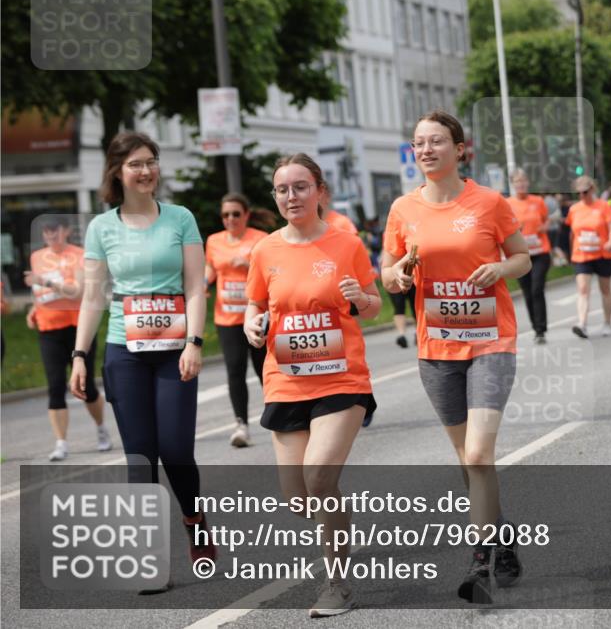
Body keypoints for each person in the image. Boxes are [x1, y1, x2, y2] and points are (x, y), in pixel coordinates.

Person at [382, 111, 529, 604]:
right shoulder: (403, 209)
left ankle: (481, 560)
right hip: (437, 349)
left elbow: (523, 258)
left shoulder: (489, 202)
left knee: (479, 454)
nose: (426, 150)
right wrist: (398, 275)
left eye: (437, 141)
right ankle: (503, 539)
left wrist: (499, 267)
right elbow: (388, 271)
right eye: (419, 143)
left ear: (460, 149)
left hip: (490, 341)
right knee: (468, 464)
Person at [70, 132, 215, 586]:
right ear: (117, 171)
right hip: (124, 353)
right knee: (139, 457)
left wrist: (194, 340)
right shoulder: (101, 228)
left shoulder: (179, 218)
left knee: (174, 450)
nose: (146, 171)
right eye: (136, 164)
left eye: (151, 161)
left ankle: (194, 522)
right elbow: (93, 298)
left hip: (175, 352)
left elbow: (195, 285)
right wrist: (79, 354)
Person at [244, 153, 381, 617]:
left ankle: (337, 584)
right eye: (282, 189)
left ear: (320, 191)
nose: (291, 196)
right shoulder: (265, 250)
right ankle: (338, 527)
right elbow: (254, 305)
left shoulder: (347, 244)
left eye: (300, 187)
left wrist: (360, 298)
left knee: (319, 474)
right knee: (299, 498)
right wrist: (252, 326)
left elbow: (373, 305)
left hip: (342, 377)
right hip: (286, 379)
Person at [24, 217, 111, 461]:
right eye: (46, 232)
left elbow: (81, 292)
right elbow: (40, 294)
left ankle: (101, 428)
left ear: (66, 231)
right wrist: (33, 308)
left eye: (54, 231)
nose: (50, 236)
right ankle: (61, 442)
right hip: (49, 328)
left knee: (86, 386)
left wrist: (47, 282)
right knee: (55, 385)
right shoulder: (37, 257)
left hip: (77, 328)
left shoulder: (79, 255)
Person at [204, 194, 271, 448]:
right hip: (227, 317)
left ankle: (280, 412)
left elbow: (271, 272)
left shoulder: (260, 239)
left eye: (235, 214)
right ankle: (241, 424)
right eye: (225, 215)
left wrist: (248, 264)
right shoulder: (214, 241)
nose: (230, 219)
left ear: (246, 215)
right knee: (235, 370)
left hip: (256, 316)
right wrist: (201, 284)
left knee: (264, 367)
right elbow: (211, 268)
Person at [565, 176, 611, 338]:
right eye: (579, 193)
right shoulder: (574, 209)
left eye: (585, 192)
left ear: (592, 190)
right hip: (582, 254)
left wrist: (610, 241)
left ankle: (607, 322)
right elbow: (572, 233)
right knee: (582, 289)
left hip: (603, 253)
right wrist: (569, 253)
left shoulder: (603, 207)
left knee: (605, 289)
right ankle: (582, 324)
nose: (582, 196)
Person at [507, 168, 551, 344]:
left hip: (540, 251)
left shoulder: (538, 201)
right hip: (519, 255)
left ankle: (541, 329)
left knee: (537, 288)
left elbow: (547, 219)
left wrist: (545, 226)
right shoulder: (508, 203)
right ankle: (536, 328)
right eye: (517, 181)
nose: (521, 184)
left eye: (523, 181)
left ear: (528, 183)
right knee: (527, 292)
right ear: (513, 184)